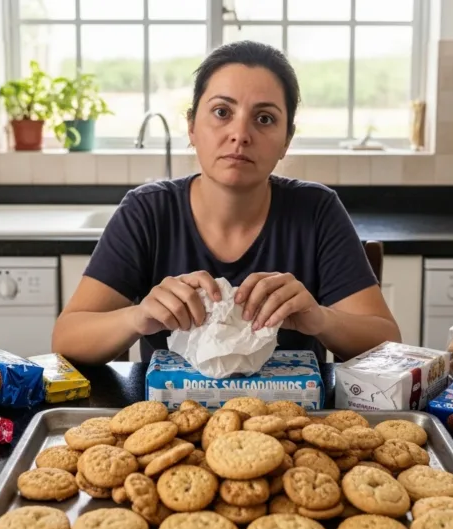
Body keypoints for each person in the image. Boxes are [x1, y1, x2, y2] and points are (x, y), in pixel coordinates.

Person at [52, 40, 401, 365]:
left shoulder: (316, 211)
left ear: (286, 142)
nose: (240, 134)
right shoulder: (148, 212)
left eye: (264, 119)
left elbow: (387, 342)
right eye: (222, 112)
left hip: (291, 422)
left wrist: (321, 319)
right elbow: (66, 340)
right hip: (173, 420)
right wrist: (137, 316)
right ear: (191, 127)